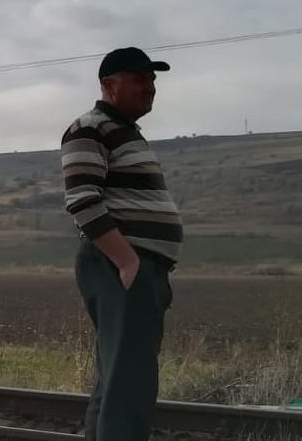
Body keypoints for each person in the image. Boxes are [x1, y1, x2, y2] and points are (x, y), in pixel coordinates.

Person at [61, 47, 182, 441]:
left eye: (152, 81)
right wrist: (128, 261)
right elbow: (82, 200)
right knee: (130, 382)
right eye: (140, 79)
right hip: (119, 266)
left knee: (116, 382)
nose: (150, 88)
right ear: (109, 85)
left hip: (133, 267)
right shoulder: (91, 127)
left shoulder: (124, 131)